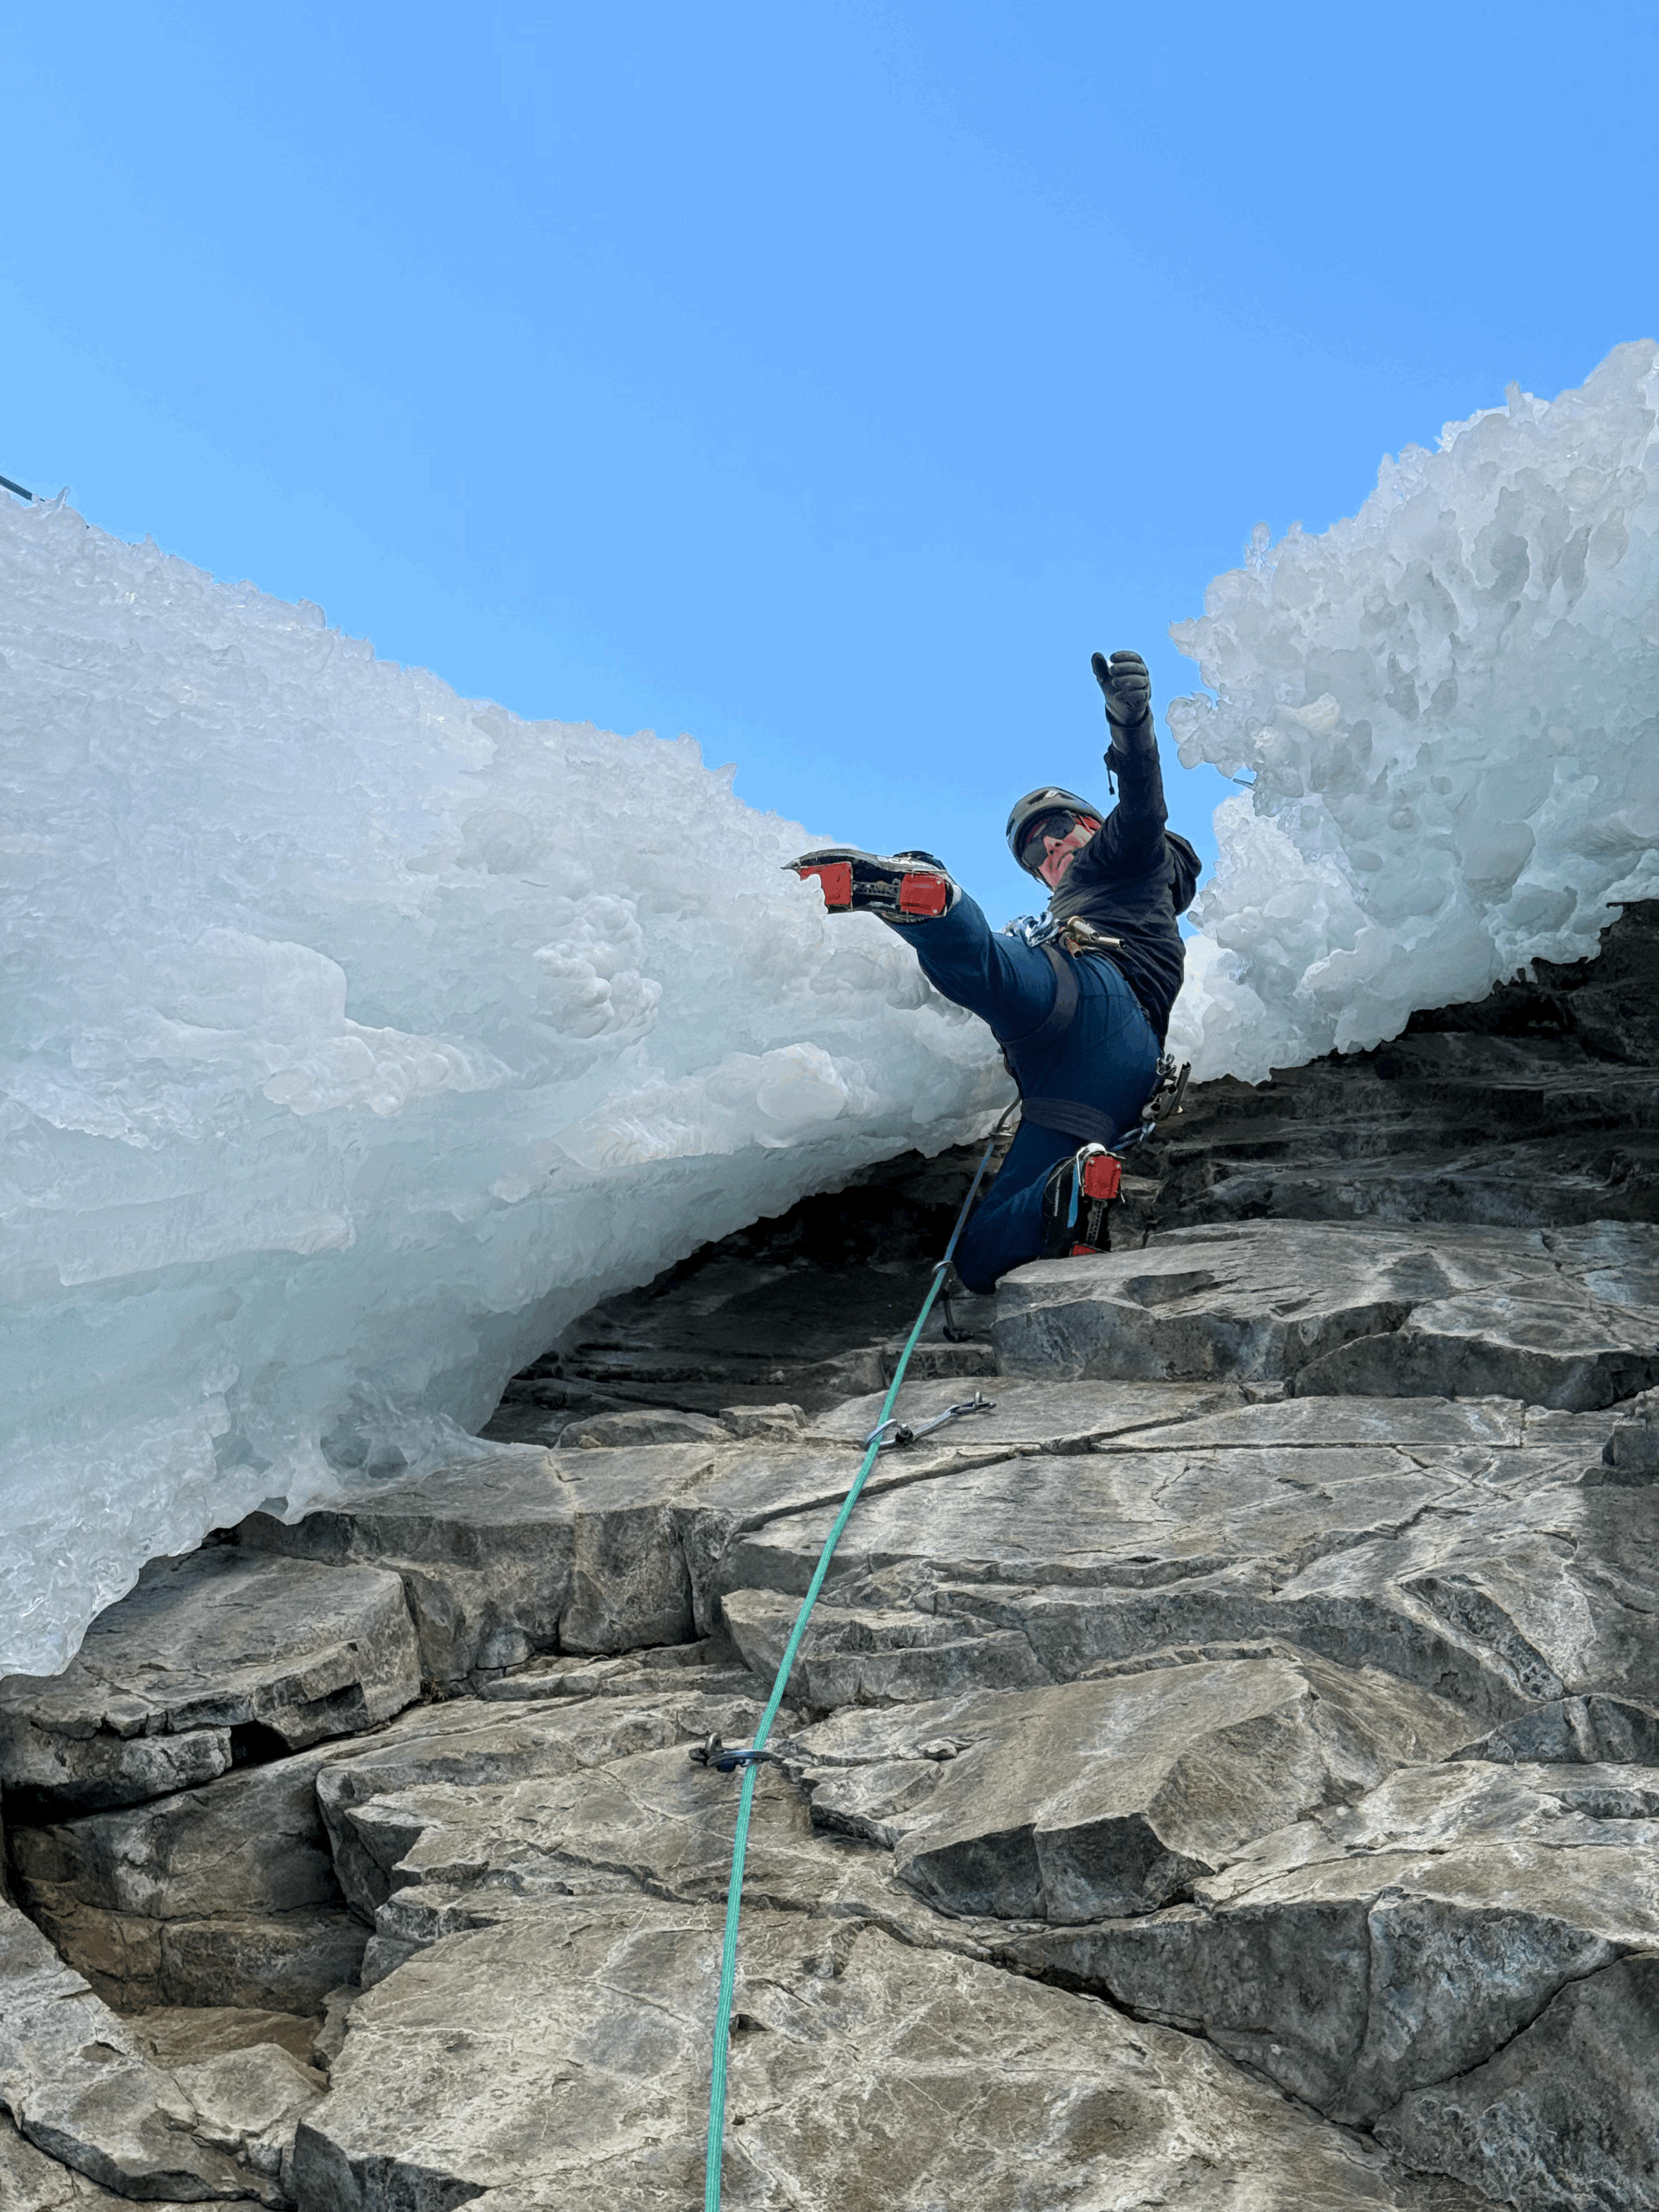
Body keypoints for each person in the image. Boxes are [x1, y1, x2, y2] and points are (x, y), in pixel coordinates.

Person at [791, 649, 1199, 1293]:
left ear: (1094, 823)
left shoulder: (1123, 857)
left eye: (1060, 827)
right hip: (1112, 1082)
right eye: (1036, 850)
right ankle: (1065, 1196)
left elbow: (1144, 806)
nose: (1052, 847)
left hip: (1085, 993)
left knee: (983, 966)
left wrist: (1131, 722)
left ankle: (928, 898)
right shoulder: (1134, 889)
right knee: (979, 1258)